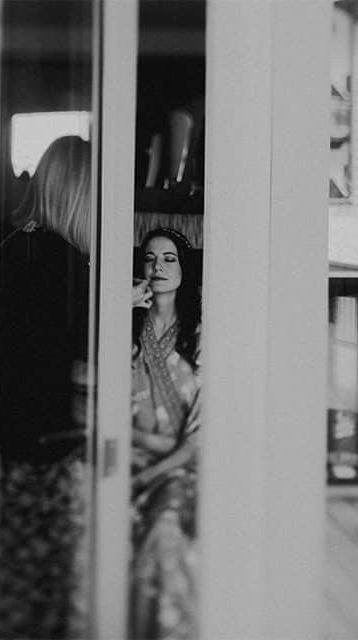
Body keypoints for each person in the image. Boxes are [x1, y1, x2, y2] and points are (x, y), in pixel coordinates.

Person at [0, 135, 92, 639]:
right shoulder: (66, 261)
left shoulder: (15, 244)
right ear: (78, 194)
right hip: (48, 425)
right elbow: (76, 345)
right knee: (50, 551)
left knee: (20, 546)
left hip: (14, 419)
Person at [129, 227, 202, 640]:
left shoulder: (202, 336)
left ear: (184, 270)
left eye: (169, 259)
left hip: (178, 469)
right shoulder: (124, 329)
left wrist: (144, 476)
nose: (158, 267)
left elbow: (198, 441)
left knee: (165, 533)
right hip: (125, 455)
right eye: (150, 258)